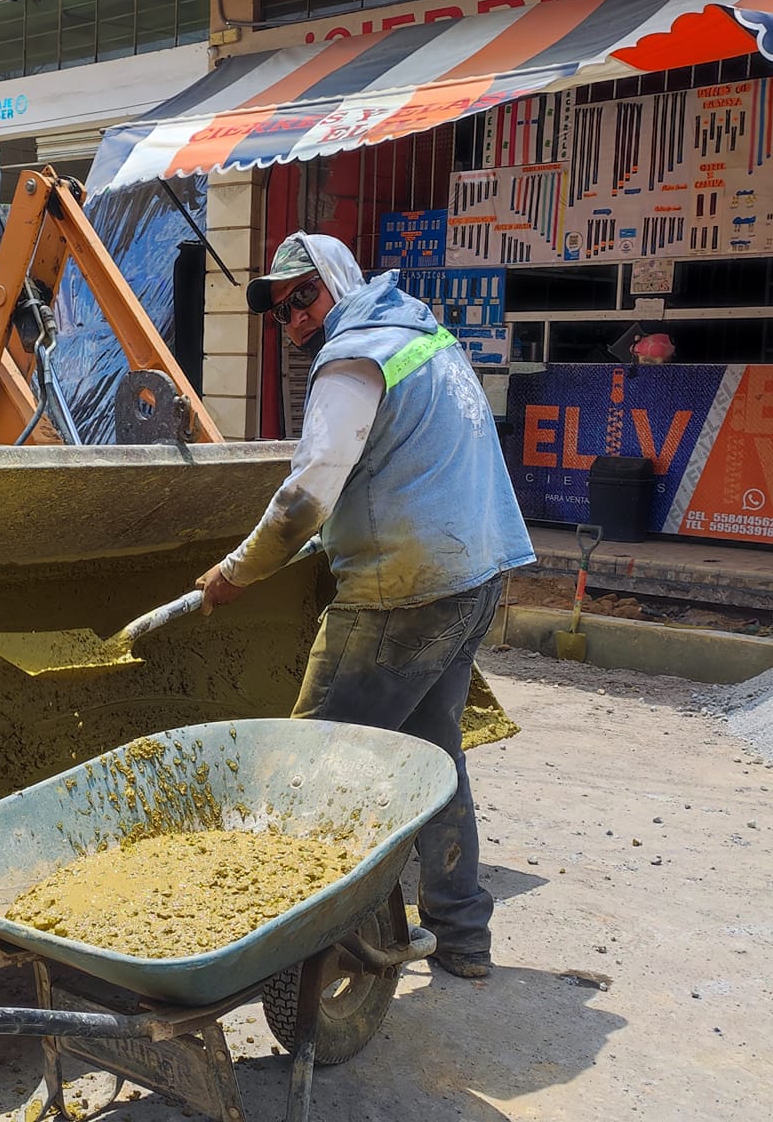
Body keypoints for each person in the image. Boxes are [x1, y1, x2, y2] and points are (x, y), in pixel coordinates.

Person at [197, 231, 536, 979]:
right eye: (281, 311)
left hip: (404, 595)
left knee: (311, 762)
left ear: (338, 282)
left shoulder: (352, 356)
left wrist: (237, 571)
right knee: (433, 754)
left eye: (303, 296)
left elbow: (306, 494)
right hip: (475, 577)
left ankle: (291, 957)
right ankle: (463, 938)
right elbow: (402, 467)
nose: (295, 318)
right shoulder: (422, 333)